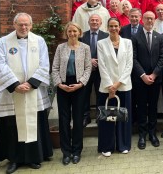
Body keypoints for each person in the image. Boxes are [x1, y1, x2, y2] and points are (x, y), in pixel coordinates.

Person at [0, 13, 53, 174]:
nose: (24, 27)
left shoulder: (38, 41)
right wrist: (15, 84)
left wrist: (31, 83)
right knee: (12, 126)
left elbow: (44, 64)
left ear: (31, 25)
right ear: (14, 24)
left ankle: (34, 157)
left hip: (33, 91)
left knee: (34, 123)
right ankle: (14, 159)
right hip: (13, 93)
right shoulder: (3, 42)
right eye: (20, 24)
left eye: (27, 25)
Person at [51, 22, 92, 166]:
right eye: (70, 31)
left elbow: (88, 68)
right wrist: (59, 84)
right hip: (63, 86)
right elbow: (55, 67)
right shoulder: (60, 48)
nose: (72, 34)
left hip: (79, 86)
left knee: (78, 118)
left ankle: (77, 151)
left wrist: (80, 83)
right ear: (66, 33)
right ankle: (66, 152)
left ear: (79, 32)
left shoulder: (85, 48)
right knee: (64, 120)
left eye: (75, 31)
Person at [97, 17, 133, 156]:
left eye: (116, 26)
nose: (113, 28)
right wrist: (111, 86)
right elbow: (102, 65)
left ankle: (123, 144)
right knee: (107, 118)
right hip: (107, 87)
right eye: (111, 26)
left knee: (123, 117)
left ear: (120, 27)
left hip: (124, 86)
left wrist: (118, 84)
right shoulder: (101, 43)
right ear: (107, 28)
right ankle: (107, 146)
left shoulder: (128, 43)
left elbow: (129, 64)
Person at [132, 11, 163, 149]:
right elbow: (133, 59)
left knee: (153, 108)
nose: (150, 21)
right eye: (147, 18)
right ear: (142, 20)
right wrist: (143, 75)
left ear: (154, 20)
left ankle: (152, 134)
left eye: (152, 19)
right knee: (141, 108)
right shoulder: (135, 37)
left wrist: (154, 74)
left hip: (155, 80)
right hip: (140, 80)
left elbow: (162, 58)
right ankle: (142, 135)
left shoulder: (159, 37)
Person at [80, 14, 109, 127]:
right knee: (85, 94)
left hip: (101, 71)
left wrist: (97, 61)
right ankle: (85, 116)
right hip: (85, 70)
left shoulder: (106, 36)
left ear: (101, 23)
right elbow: (79, 51)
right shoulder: (82, 36)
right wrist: (89, 61)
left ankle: (99, 115)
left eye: (97, 20)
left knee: (100, 93)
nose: (94, 22)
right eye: (92, 20)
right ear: (88, 22)